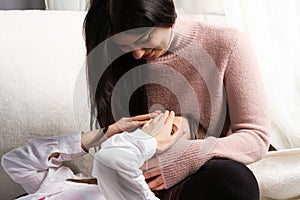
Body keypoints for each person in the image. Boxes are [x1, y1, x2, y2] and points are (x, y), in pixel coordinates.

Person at [84, 0, 270, 199]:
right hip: (142, 178)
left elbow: (255, 137)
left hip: (202, 171)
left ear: (166, 14)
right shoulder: (117, 59)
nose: (137, 54)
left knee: (236, 181)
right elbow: (115, 145)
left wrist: (188, 156)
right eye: (127, 46)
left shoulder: (228, 44)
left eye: (145, 38)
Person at [1, 111, 202, 200]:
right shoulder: (72, 182)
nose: (153, 129)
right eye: (158, 122)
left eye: (170, 130)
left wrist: (147, 141)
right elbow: (17, 163)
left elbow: (113, 162)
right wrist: (107, 131)